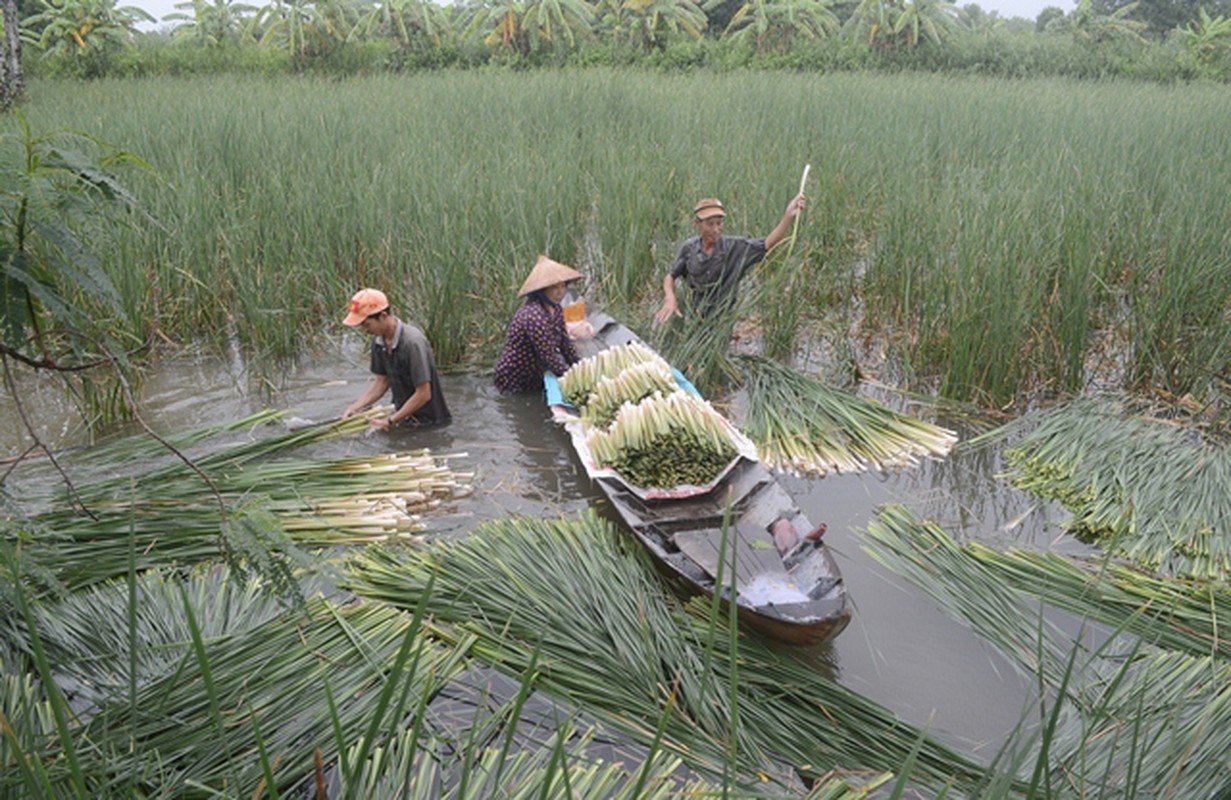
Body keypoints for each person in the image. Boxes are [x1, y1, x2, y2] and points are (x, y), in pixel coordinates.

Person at [653, 192, 806, 324]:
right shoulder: (689, 248)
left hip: (722, 318)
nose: (716, 229)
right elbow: (670, 276)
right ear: (698, 224)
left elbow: (767, 244)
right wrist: (670, 298)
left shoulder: (735, 247)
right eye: (710, 224)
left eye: (719, 223)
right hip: (695, 314)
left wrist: (788, 217)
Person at [341, 288, 450, 430]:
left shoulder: (412, 342)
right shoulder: (379, 342)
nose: (364, 330)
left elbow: (423, 394)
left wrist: (390, 421)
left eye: (366, 324)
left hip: (430, 423)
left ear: (383, 316)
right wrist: (355, 407)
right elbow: (382, 381)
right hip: (403, 417)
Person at [494, 255, 584, 394]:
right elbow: (548, 356)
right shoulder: (534, 316)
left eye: (562, 286)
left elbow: (565, 344)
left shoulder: (556, 309)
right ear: (542, 290)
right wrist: (573, 378)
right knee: (517, 409)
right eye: (554, 287)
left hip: (534, 375)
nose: (560, 292)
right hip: (515, 376)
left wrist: (581, 367)